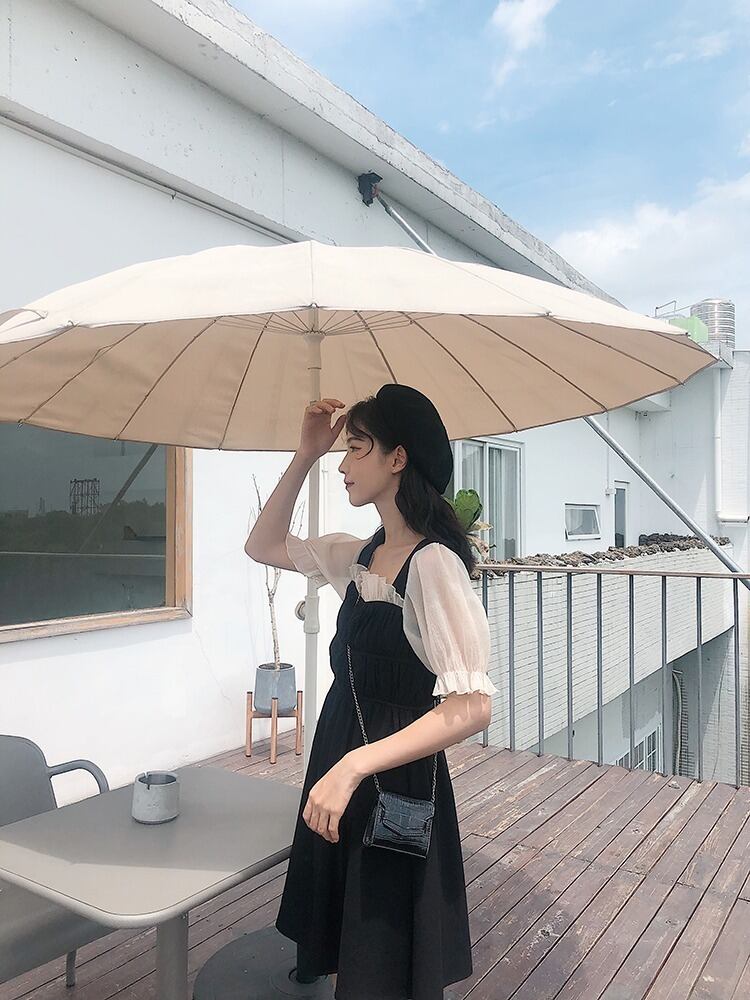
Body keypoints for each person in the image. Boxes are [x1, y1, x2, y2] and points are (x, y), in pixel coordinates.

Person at [245, 384, 498, 1000]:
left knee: (380, 957)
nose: (343, 464)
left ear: (397, 458)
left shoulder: (433, 564)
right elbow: (262, 545)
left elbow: (472, 707)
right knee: (346, 940)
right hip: (340, 760)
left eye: (356, 448)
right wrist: (305, 454)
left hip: (392, 781)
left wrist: (354, 766)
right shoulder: (361, 555)